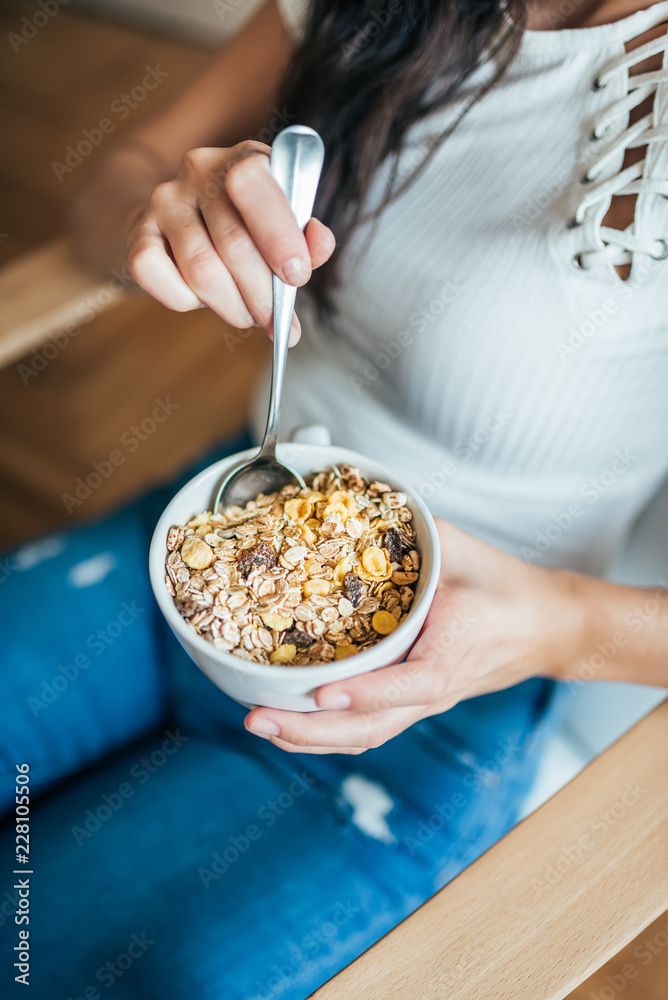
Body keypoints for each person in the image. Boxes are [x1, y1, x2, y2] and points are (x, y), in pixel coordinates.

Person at [1, 1, 667, 997]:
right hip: (204, 536)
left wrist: (563, 625)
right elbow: (119, 185)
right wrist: (161, 215)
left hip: (444, 688)